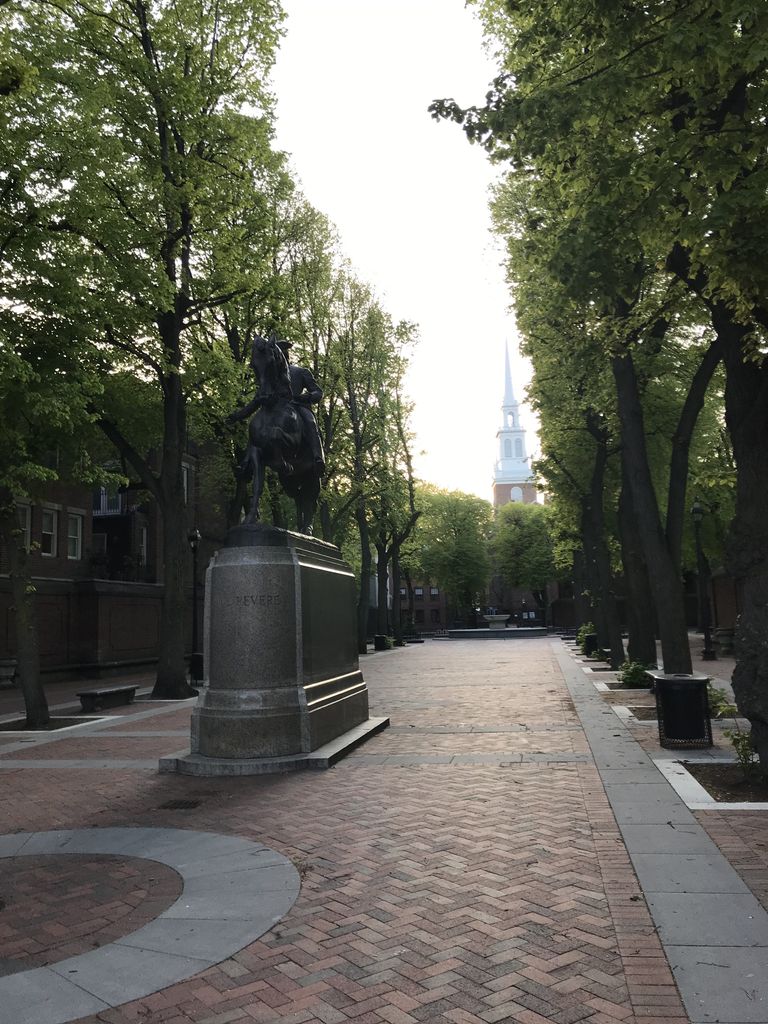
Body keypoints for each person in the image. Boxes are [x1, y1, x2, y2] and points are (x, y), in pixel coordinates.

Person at [276, 339, 326, 473]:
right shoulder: (271, 376)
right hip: (276, 408)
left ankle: (318, 458)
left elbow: (318, 392)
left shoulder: (300, 372)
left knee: (310, 422)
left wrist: (306, 397)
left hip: (297, 406)